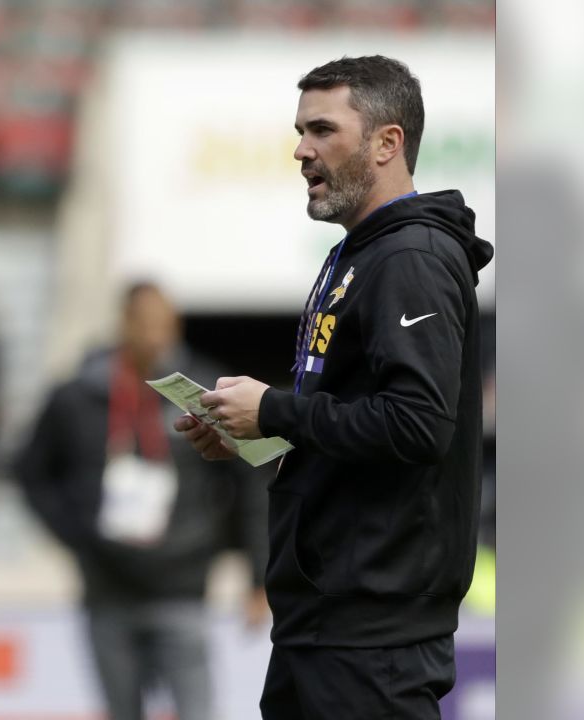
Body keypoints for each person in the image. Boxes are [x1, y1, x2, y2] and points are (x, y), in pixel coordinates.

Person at [175, 56, 494, 719]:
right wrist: (258, 429)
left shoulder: (411, 259)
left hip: (371, 631)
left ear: (387, 142)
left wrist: (276, 408)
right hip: (325, 619)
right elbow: (346, 411)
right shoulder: (358, 253)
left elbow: (416, 424)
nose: (301, 150)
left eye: (322, 130)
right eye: (300, 131)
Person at [17, 283, 269, 720]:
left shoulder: (204, 392)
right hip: (107, 585)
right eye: (146, 325)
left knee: (196, 710)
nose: (156, 338)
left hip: (183, 582)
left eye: (165, 327)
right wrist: (76, 534)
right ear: (123, 325)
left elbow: (251, 481)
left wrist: (258, 576)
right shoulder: (78, 395)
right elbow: (29, 470)